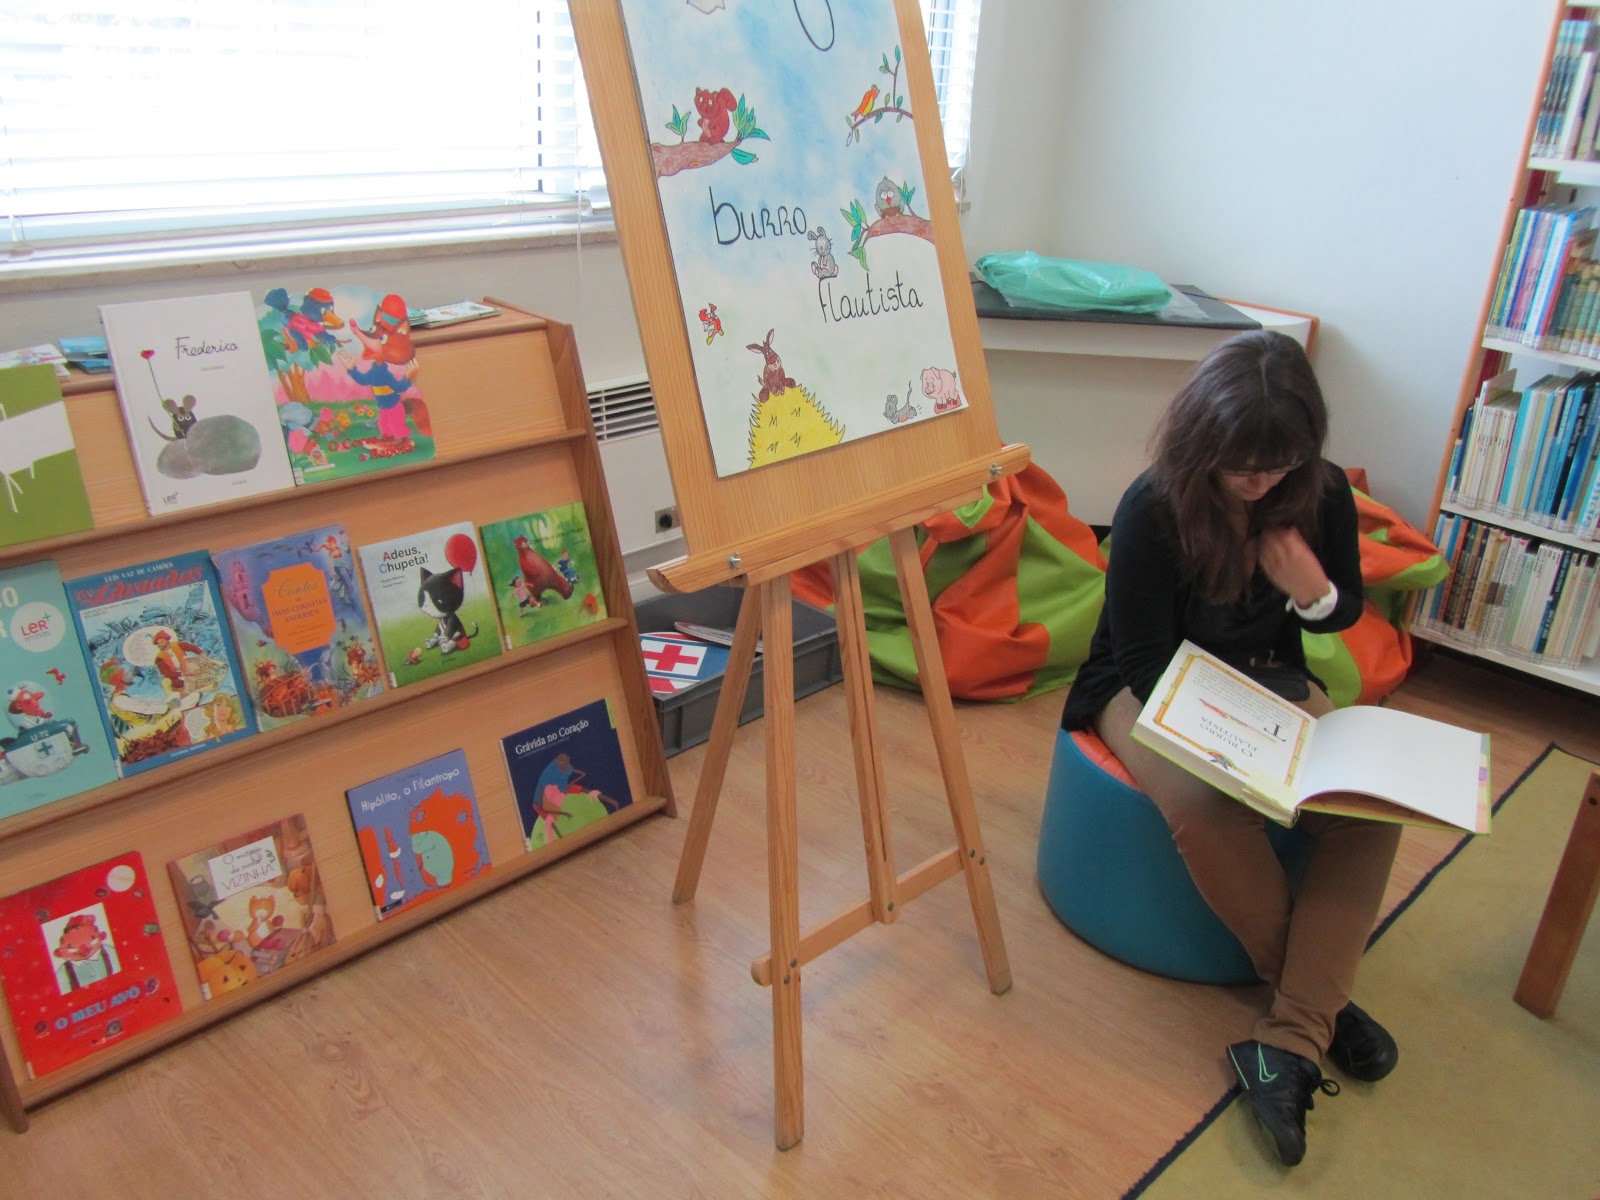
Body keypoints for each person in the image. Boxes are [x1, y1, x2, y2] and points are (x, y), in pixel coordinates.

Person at [1059, 329, 1400, 1168]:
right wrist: (1230, 746)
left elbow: (1343, 609)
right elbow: (1143, 660)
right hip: (1146, 687)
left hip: (1266, 678)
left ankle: (1290, 1038)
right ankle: (1314, 1010)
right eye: (1243, 465)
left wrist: (1311, 591)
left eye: (1280, 465)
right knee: (1212, 806)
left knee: (1368, 812)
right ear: (1203, 437)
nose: (1260, 482)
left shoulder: (1320, 493)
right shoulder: (1153, 505)